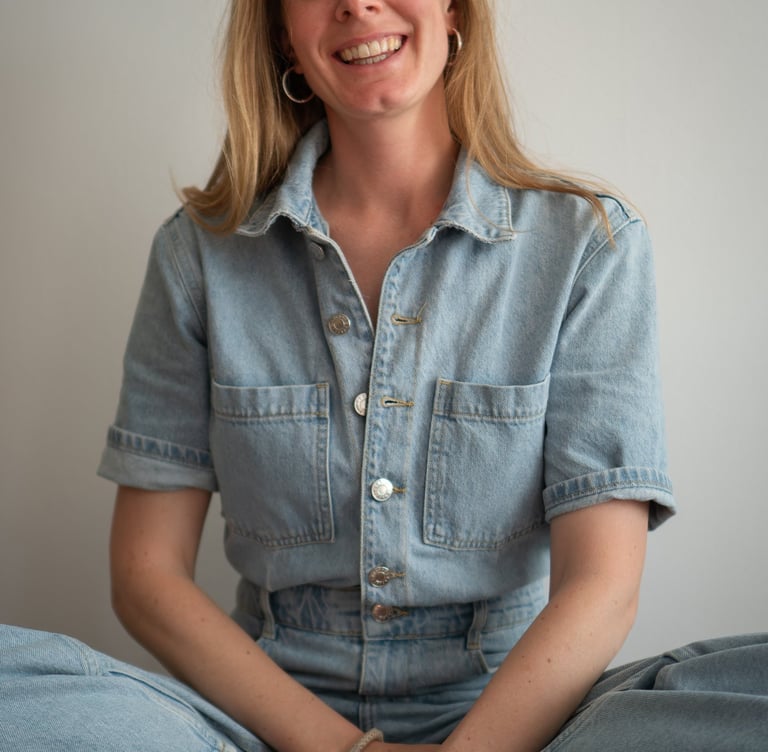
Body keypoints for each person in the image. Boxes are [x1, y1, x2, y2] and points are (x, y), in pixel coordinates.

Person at [1, 1, 766, 750]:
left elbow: (602, 585)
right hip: (264, 724)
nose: (357, 5)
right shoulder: (199, 255)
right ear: (282, 33)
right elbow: (146, 576)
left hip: (522, 721)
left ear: (455, 10)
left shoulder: (588, 247)